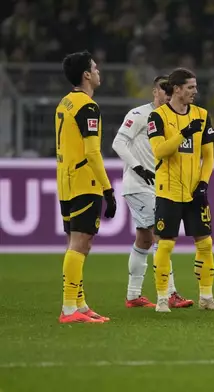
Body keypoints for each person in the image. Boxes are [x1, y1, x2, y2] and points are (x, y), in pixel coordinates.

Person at [147, 68, 214, 312]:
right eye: (190, 88)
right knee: (165, 245)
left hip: (195, 191)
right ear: (176, 89)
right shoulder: (158, 117)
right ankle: (163, 298)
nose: (195, 92)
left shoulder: (202, 115)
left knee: (205, 243)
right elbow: (159, 151)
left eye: (195, 87)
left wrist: (203, 183)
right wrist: (183, 133)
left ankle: (207, 298)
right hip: (168, 189)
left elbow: (209, 156)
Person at [112, 75, 193, 309]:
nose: (167, 94)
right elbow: (118, 142)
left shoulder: (170, 118)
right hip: (138, 184)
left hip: (159, 185)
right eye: (163, 90)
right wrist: (138, 167)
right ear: (154, 92)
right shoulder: (138, 115)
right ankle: (170, 293)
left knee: (144, 239)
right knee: (162, 235)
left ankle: (133, 295)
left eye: (171, 90)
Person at [55, 50, 116, 323]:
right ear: (86, 75)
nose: (99, 71)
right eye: (95, 67)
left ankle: (79, 305)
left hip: (66, 181)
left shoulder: (65, 103)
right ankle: (69, 309)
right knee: (80, 243)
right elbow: (93, 153)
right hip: (84, 181)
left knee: (75, 242)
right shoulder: (88, 107)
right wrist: (108, 189)